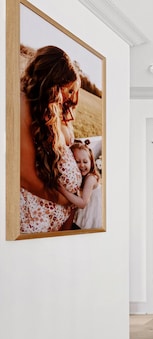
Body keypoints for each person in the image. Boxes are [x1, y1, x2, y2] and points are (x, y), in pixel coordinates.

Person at [19, 45, 83, 233]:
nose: (67, 98)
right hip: (41, 208)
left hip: (60, 210)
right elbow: (25, 175)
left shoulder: (51, 112)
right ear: (53, 82)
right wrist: (63, 199)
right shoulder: (23, 105)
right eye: (68, 90)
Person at [57, 142, 102, 229]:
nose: (82, 165)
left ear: (91, 163)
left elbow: (82, 203)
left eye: (85, 162)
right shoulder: (79, 178)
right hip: (86, 211)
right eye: (77, 162)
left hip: (93, 213)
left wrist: (62, 190)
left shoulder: (91, 178)